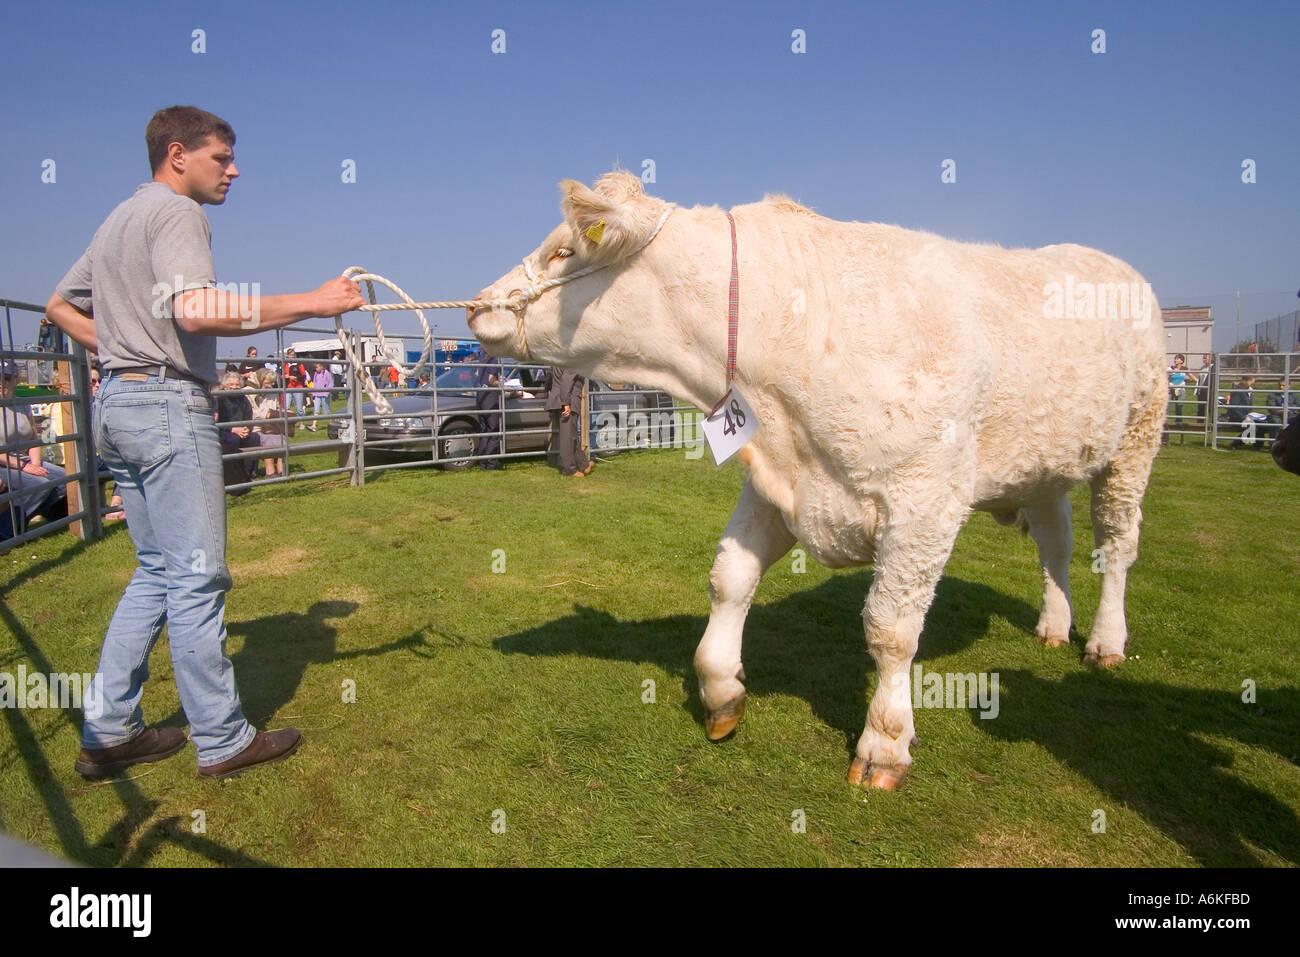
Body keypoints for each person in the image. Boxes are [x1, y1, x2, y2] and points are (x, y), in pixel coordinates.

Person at [44, 105, 364, 779]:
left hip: (117, 404)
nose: (234, 169)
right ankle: (221, 738)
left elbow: (57, 306)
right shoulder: (176, 213)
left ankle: (108, 732)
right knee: (194, 576)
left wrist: (121, 349)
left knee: (156, 572)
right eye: (222, 157)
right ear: (178, 154)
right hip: (164, 405)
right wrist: (314, 300)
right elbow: (195, 308)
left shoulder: (115, 222)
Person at [0, 360, 69, 537]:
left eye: (6, 378)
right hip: (4, 464)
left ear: (15, 379)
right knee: (39, 484)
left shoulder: (22, 404)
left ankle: (47, 517)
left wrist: (36, 463)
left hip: (26, 459)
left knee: (64, 479)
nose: (2, 383)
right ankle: (9, 530)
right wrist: (25, 467)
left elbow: (34, 437)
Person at [544, 366, 592, 477]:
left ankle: (583, 464)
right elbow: (567, 380)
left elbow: (549, 377)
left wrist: (549, 393)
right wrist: (566, 403)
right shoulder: (572, 360)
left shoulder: (557, 359)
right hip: (568, 400)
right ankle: (569, 469)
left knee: (571, 435)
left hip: (557, 399)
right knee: (568, 438)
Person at [215, 371, 259, 487]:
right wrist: (232, 429)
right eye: (231, 385)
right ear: (225, 386)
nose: (234, 387)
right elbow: (217, 420)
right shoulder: (219, 398)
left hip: (241, 429)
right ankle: (234, 472)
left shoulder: (243, 398)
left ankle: (250, 471)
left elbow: (248, 414)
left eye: (236, 385)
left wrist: (246, 429)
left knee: (254, 438)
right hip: (224, 431)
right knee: (233, 439)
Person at [250, 368, 288, 477]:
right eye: (267, 383)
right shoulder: (250, 393)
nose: (269, 385)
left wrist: (285, 412)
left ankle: (282, 470)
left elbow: (277, 409)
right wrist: (269, 415)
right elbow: (253, 413)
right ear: (260, 381)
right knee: (267, 438)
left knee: (281, 436)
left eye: (272, 383)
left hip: (272, 426)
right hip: (257, 427)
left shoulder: (273, 394)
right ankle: (270, 471)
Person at [472, 348, 503, 470]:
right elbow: (491, 380)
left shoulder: (481, 359)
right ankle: (492, 462)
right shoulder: (494, 359)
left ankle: (483, 461)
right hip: (491, 398)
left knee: (484, 430)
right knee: (494, 430)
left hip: (481, 397)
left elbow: (476, 374)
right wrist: (503, 384)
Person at [282, 347, 307, 419]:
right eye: (290, 355)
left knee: (299, 408)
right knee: (286, 407)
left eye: (293, 355)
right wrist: (285, 376)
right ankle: (288, 422)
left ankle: (301, 422)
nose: (292, 356)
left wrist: (296, 377)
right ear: (287, 355)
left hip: (298, 387)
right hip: (287, 387)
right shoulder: (284, 364)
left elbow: (303, 375)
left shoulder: (299, 364)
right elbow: (280, 375)